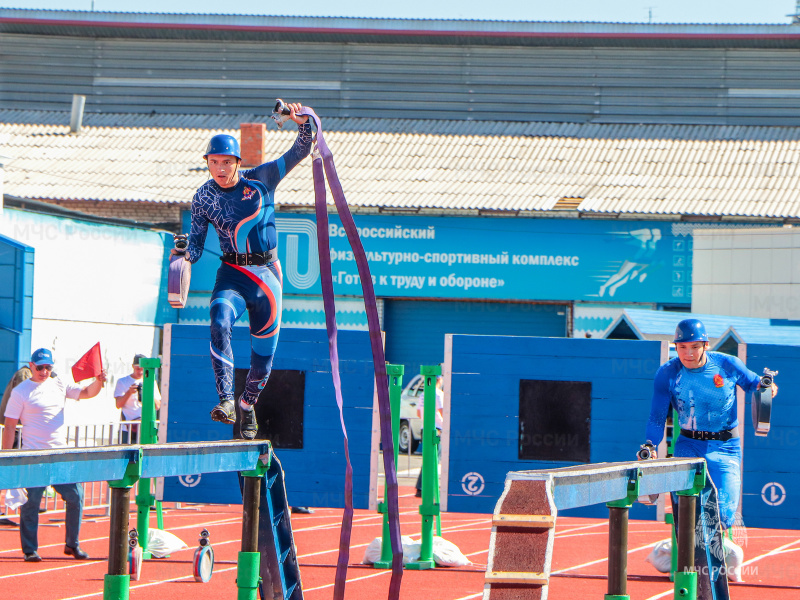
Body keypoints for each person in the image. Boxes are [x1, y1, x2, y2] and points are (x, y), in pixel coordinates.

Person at [174, 103, 312, 441]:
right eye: (213, 162)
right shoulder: (203, 197)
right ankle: (226, 401)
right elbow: (194, 249)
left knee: (262, 363)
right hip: (232, 275)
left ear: (238, 162)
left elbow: (303, 147)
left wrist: (302, 120)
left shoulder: (263, 179)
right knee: (219, 318)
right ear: (207, 162)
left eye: (226, 162)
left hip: (267, 276)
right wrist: (181, 253)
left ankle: (247, 404)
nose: (219, 169)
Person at [643, 319, 778, 536]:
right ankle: (688, 557)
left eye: (695, 346)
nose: (688, 353)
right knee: (686, 510)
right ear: (675, 347)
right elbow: (657, 418)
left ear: (706, 345)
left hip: (726, 447)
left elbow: (756, 382)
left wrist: (768, 386)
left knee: (724, 515)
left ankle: (716, 552)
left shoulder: (728, 364)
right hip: (689, 446)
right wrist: (650, 446)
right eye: (682, 347)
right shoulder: (667, 373)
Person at [1, 348, 107, 562]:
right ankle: (30, 550)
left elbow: (87, 393)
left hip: (59, 455)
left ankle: (72, 544)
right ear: (31, 366)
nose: (44, 371)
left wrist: (99, 381)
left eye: (48, 367)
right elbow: (10, 426)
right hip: (33, 457)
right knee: (31, 504)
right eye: (39, 367)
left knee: (76, 496)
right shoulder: (21, 391)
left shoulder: (59, 384)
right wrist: (7, 456)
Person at [113, 353, 162, 444]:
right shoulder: (123, 382)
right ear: (132, 367)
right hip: (127, 428)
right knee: (127, 456)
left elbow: (157, 405)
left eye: (142, 369)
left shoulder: (151, 382)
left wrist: (147, 392)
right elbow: (118, 404)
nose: (140, 372)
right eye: (137, 369)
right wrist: (129, 392)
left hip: (145, 427)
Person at [415, 375, 444, 497]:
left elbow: (418, 412)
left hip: (424, 427)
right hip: (437, 428)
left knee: (428, 458)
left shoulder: (423, 394)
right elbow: (443, 411)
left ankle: (422, 486)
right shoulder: (438, 394)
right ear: (439, 380)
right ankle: (426, 486)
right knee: (434, 458)